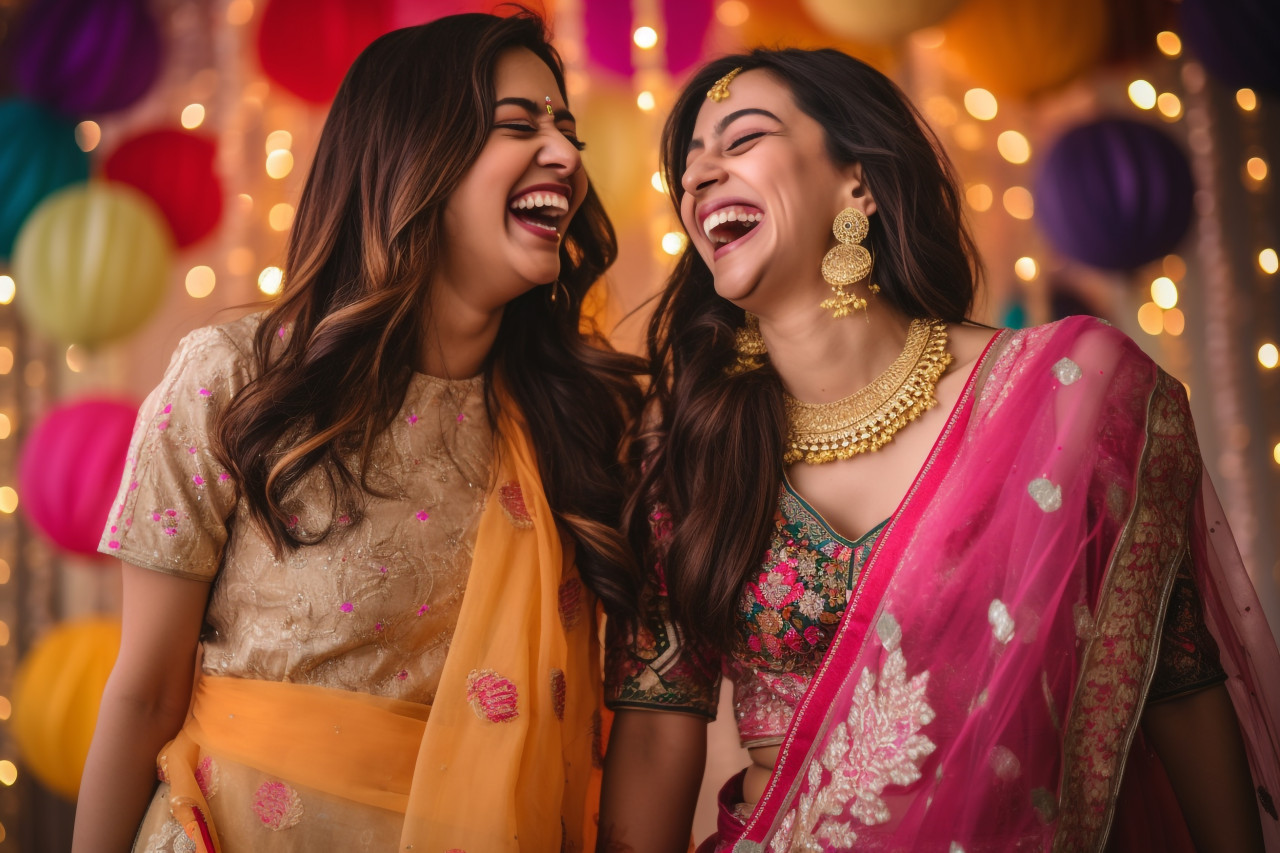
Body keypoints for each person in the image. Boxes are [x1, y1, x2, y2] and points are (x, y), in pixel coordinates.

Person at [599, 49, 1280, 853]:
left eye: (741, 139)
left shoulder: (1065, 398)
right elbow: (652, 738)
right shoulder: (690, 452)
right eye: (688, 166)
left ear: (858, 180)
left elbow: (1173, 682)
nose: (699, 177)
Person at [72, 12, 642, 853]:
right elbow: (147, 692)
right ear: (415, 153)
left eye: (568, 131)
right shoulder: (237, 379)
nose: (565, 155)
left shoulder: (579, 422)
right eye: (521, 125)